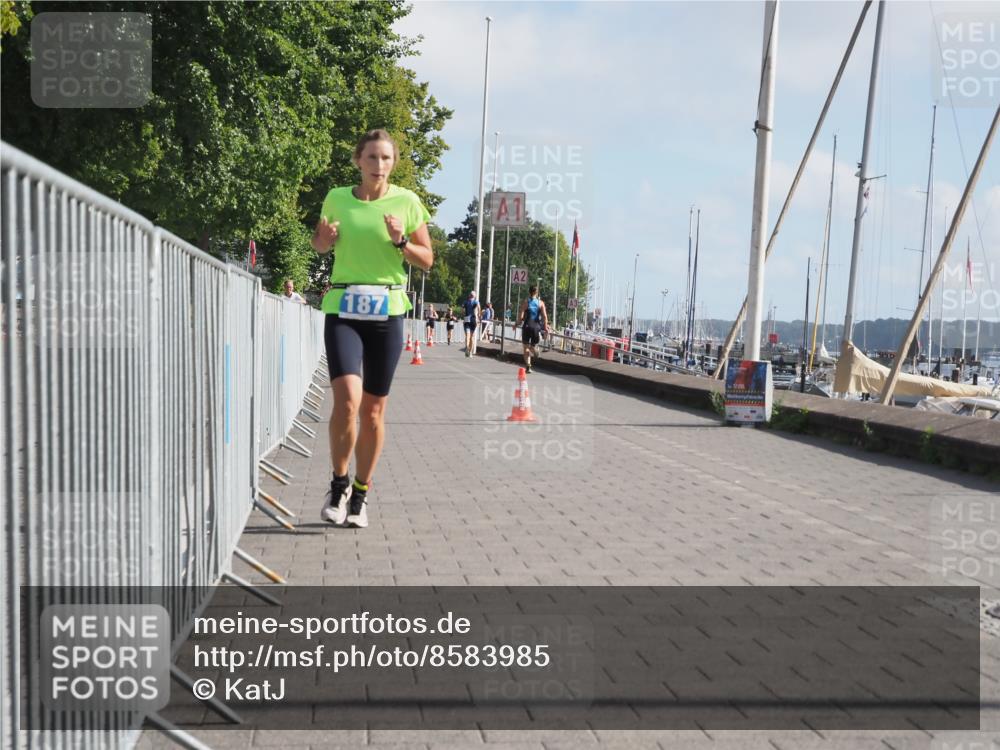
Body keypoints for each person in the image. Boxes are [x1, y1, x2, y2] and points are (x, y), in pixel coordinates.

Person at [311, 129, 433, 529]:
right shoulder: (336, 198)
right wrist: (323, 240)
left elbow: (426, 259)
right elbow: (320, 245)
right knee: (347, 401)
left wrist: (401, 242)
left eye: (386, 158)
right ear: (358, 161)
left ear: (393, 163)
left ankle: (361, 494)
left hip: (387, 311)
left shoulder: (407, 202)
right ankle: (338, 484)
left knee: (374, 411)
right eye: (372, 157)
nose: (379, 165)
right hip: (343, 308)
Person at [517, 285, 549, 373]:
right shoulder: (541, 303)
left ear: (529, 292)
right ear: (537, 292)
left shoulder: (526, 302)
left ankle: (528, 365)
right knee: (532, 346)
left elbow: (521, 316)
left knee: (525, 348)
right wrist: (545, 327)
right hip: (536, 327)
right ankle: (534, 350)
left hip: (527, 326)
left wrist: (517, 323)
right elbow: (544, 317)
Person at [461, 290, 480, 357]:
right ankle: (470, 352)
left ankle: (467, 348)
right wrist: (478, 317)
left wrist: (463, 315)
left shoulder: (465, 302)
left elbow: (462, 310)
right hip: (473, 319)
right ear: (475, 296)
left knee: (468, 335)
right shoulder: (476, 301)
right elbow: (479, 308)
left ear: (469, 295)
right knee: (472, 337)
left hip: (467, 319)